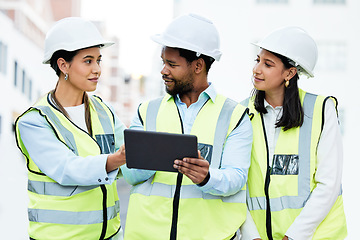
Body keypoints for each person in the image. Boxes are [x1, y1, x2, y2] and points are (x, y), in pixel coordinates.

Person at [120, 13, 252, 240]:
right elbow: (131, 177)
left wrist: (207, 177)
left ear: (198, 65)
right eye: (163, 62)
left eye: (172, 64)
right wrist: (142, 159)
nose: (163, 70)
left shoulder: (234, 116)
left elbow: (237, 178)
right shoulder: (146, 111)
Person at [15, 17, 126, 240]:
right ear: (63, 65)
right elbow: (66, 168)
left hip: (110, 236)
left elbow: (133, 151)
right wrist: (115, 160)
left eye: (98, 60)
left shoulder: (104, 111)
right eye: (88, 61)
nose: (97, 69)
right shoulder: (35, 121)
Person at [240, 26, 347, 240]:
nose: (257, 69)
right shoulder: (241, 113)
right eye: (257, 60)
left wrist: (293, 236)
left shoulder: (321, 109)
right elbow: (237, 184)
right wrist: (252, 236)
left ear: (290, 72)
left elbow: (329, 183)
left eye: (268, 64)